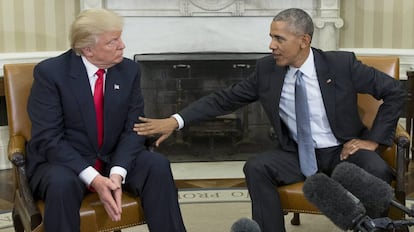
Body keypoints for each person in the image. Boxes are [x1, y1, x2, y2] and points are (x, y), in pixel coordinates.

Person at [134, 8, 406, 232]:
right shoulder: (267, 70)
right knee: (257, 167)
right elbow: (223, 99)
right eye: (271, 37)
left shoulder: (340, 65)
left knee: (377, 170)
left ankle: (382, 229)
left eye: (279, 39)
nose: (271, 45)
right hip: (298, 153)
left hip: (343, 150)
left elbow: (394, 91)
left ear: (304, 40)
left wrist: (371, 141)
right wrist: (175, 120)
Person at [26, 8, 186, 232]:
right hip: (64, 163)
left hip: (113, 157)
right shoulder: (51, 74)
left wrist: (117, 173)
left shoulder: (129, 71)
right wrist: (94, 178)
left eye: (120, 37)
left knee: (157, 165)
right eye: (113, 41)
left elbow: (134, 128)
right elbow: (48, 138)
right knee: (61, 183)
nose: (122, 45)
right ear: (88, 49)